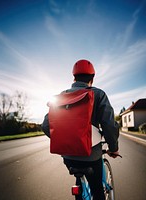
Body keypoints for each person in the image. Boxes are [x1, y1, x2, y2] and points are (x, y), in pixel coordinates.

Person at [41, 59, 120, 200]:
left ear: (74, 77)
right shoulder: (99, 94)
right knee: (97, 190)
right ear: (92, 78)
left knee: (80, 179)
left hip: (69, 157)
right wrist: (113, 148)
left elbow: (46, 126)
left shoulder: (60, 97)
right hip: (92, 155)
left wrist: (66, 141)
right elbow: (109, 125)